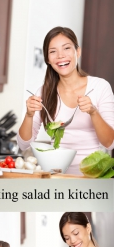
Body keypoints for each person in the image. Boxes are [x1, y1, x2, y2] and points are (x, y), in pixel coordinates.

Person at [17, 27, 114, 175]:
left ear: (78, 52)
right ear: (48, 60)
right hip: (55, 175)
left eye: (66, 48)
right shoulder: (43, 93)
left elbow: (110, 142)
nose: (60, 56)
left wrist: (93, 112)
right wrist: (29, 115)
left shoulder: (100, 87)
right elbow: (23, 144)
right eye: (53, 51)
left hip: (94, 175)